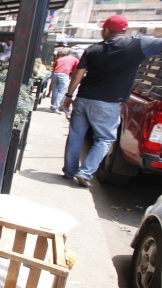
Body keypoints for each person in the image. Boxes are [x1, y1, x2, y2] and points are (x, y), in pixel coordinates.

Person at [62, 14, 162, 188]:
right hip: (107, 103)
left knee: (75, 137)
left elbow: (78, 74)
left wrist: (69, 96)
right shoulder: (137, 45)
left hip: (83, 98)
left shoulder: (92, 49)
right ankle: (85, 172)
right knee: (105, 139)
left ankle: (69, 172)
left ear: (107, 30)